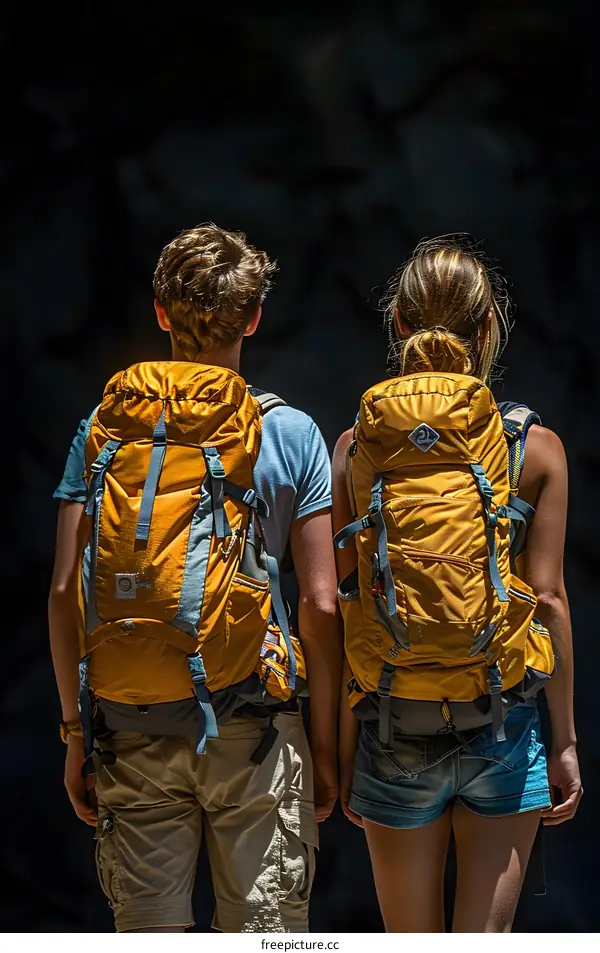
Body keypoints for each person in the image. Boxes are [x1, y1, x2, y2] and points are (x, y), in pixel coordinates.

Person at [49, 223, 341, 933]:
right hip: (257, 728)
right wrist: (328, 744)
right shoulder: (294, 433)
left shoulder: (104, 428)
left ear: (159, 311)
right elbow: (321, 601)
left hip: (131, 718)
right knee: (264, 937)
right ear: (253, 316)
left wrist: (75, 735)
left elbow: (66, 591)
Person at [332, 235, 583, 933]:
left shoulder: (357, 447)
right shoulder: (533, 448)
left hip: (392, 718)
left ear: (402, 324)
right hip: (501, 718)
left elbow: (349, 601)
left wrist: (343, 747)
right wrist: (563, 740)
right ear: (486, 329)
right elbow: (550, 600)